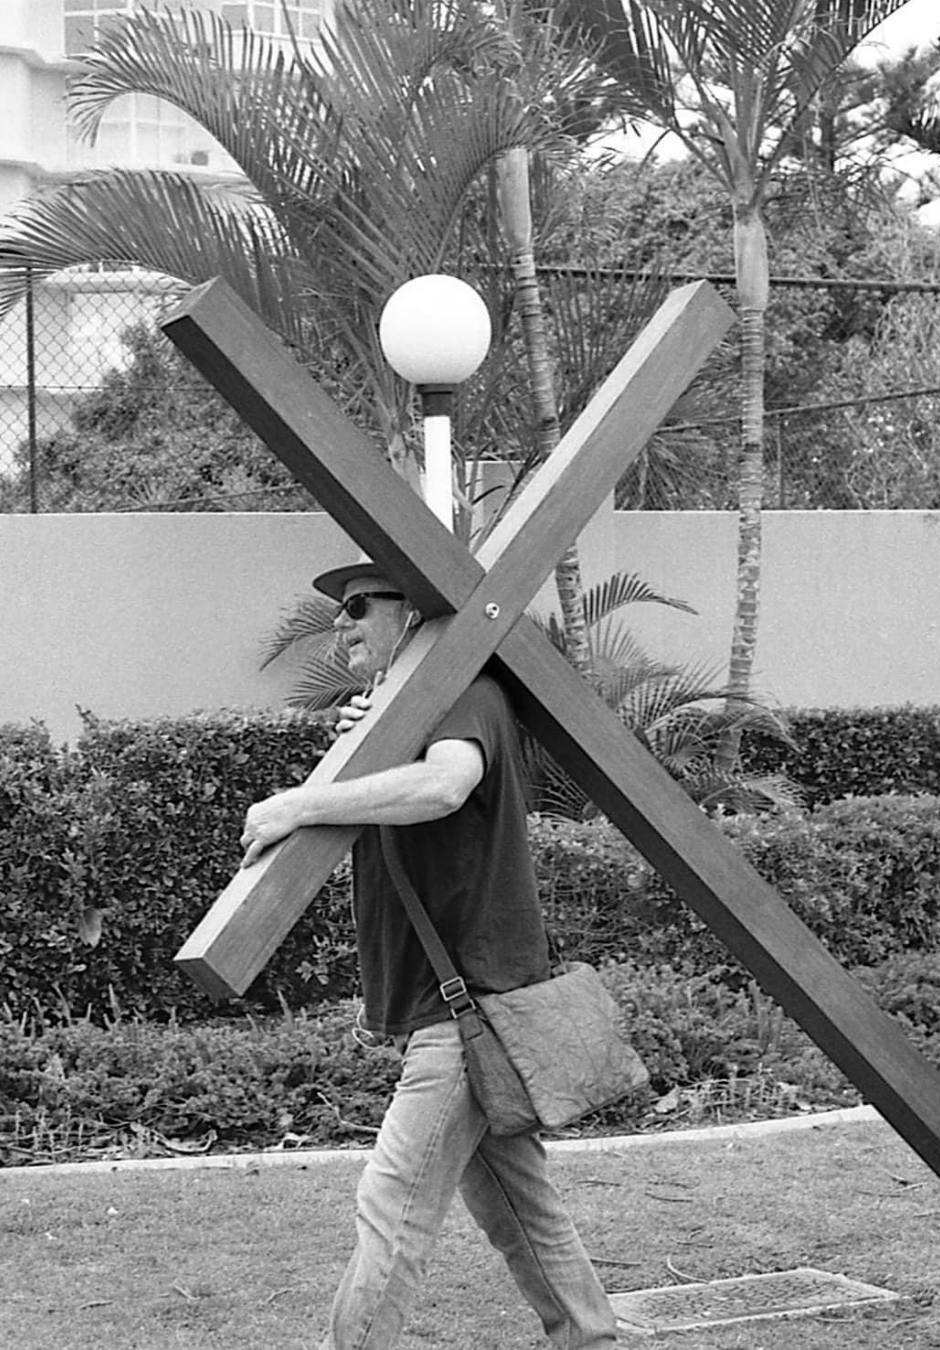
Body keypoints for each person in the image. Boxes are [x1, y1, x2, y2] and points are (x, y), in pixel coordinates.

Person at [239, 557, 618, 1350]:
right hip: (465, 1011)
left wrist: (299, 804)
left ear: (412, 614)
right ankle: (590, 1336)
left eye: (357, 607)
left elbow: (445, 785)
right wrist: (375, 738)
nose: (340, 623)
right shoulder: (410, 713)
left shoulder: (467, 693)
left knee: (392, 1208)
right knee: (521, 1207)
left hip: (468, 1015)